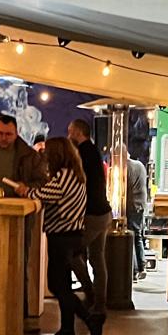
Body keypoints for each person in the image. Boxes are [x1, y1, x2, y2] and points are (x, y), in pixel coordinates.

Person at [35, 137, 103, 335]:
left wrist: (25, 191)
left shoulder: (64, 176)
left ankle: (90, 319)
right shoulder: (76, 174)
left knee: (56, 285)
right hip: (72, 235)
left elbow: (44, 194)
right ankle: (67, 332)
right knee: (64, 285)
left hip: (62, 236)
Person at [67, 118, 110, 315]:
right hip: (104, 213)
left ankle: (91, 294)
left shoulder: (82, 154)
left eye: (70, 132)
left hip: (91, 215)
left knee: (72, 253)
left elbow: (76, 184)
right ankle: (99, 304)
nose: (69, 136)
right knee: (97, 258)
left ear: (77, 132)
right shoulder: (94, 151)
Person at [125, 155, 150, 279]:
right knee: (138, 236)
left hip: (131, 206)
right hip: (140, 205)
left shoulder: (126, 167)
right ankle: (142, 266)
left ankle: (134, 270)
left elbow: (125, 188)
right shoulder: (140, 165)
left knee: (131, 237)